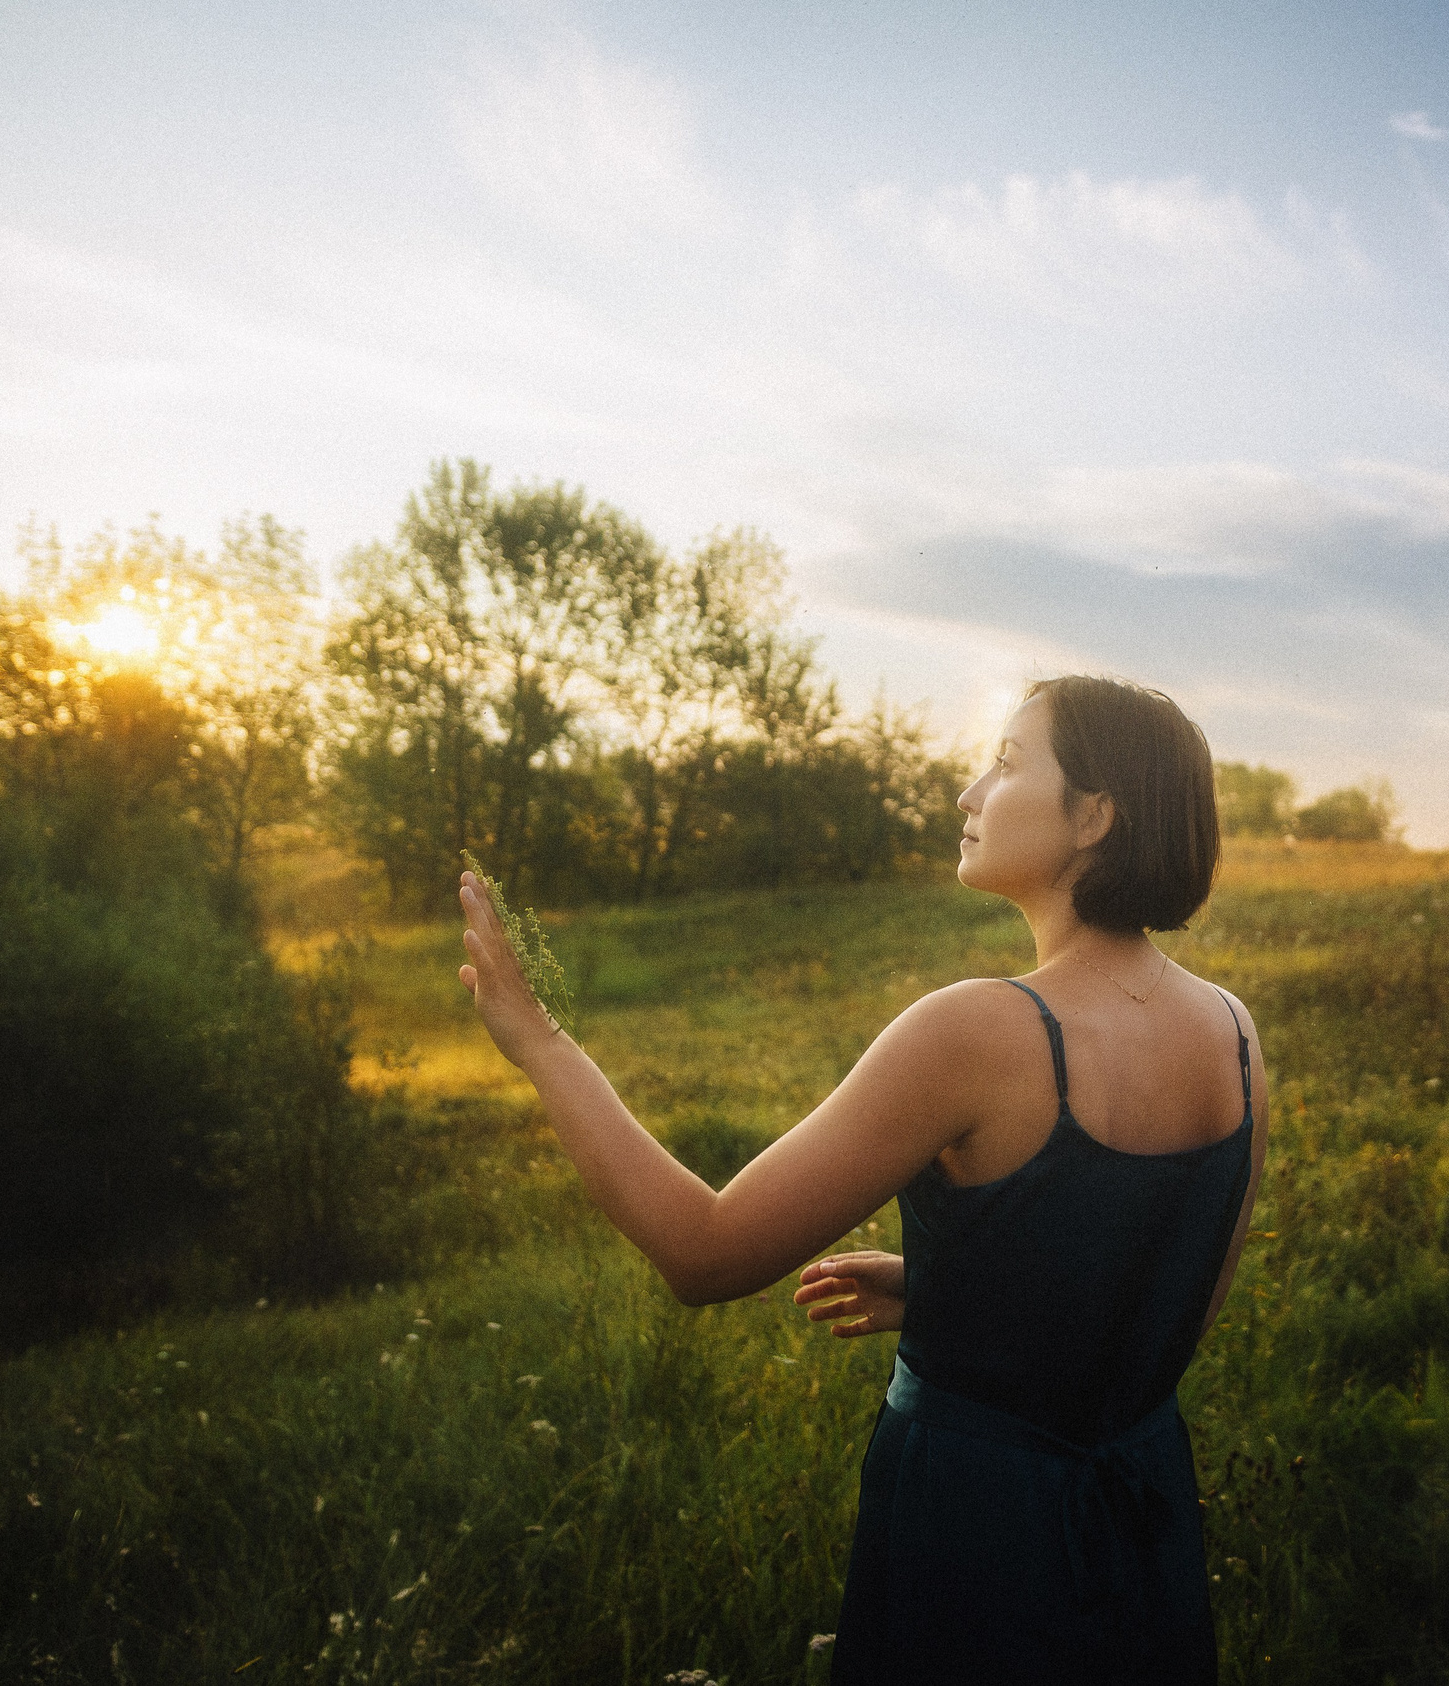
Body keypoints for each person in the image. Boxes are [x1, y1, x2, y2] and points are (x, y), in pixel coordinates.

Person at [458, 674, 1268, 1684]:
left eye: (1008, 763)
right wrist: (954, 1293)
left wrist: (539, 1043)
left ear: (1095, 815)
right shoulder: (1232, 1032)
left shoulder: (976, 1030)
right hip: (1144, 1521)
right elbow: (1166, 1311)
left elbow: (703, 1254)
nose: (969, 794)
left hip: (976, 1534)